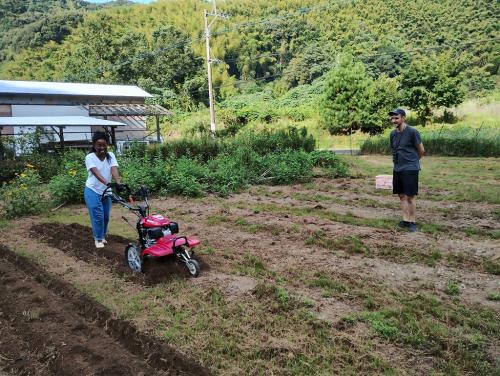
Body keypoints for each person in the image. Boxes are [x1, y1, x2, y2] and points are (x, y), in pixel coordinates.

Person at [389, 108, 425, 232]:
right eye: (392, 118)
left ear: (403, 118)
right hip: (398, 167)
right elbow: (394, 150)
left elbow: (421, 150)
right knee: (401, 195)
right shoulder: (393, 134)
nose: (394, 120)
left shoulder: (412, 132)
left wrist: (413, 162)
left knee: (410, 196)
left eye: (396, 118)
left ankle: (413, 222)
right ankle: (405, 220)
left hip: (410, 168)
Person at [84, 131, 122, 248]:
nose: (101, 147)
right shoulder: (90, 157)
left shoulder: (111, 156)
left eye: (103, 145)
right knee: (98, 215)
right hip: (92, 190)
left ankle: (102, 235)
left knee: (105, 216)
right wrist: (108, 183)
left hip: (107, 191)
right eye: (98, 145)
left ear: (107, 145)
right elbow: (96, 173)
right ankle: (98, 239)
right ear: (94, 145)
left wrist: (118, 183)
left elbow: (114, 169)